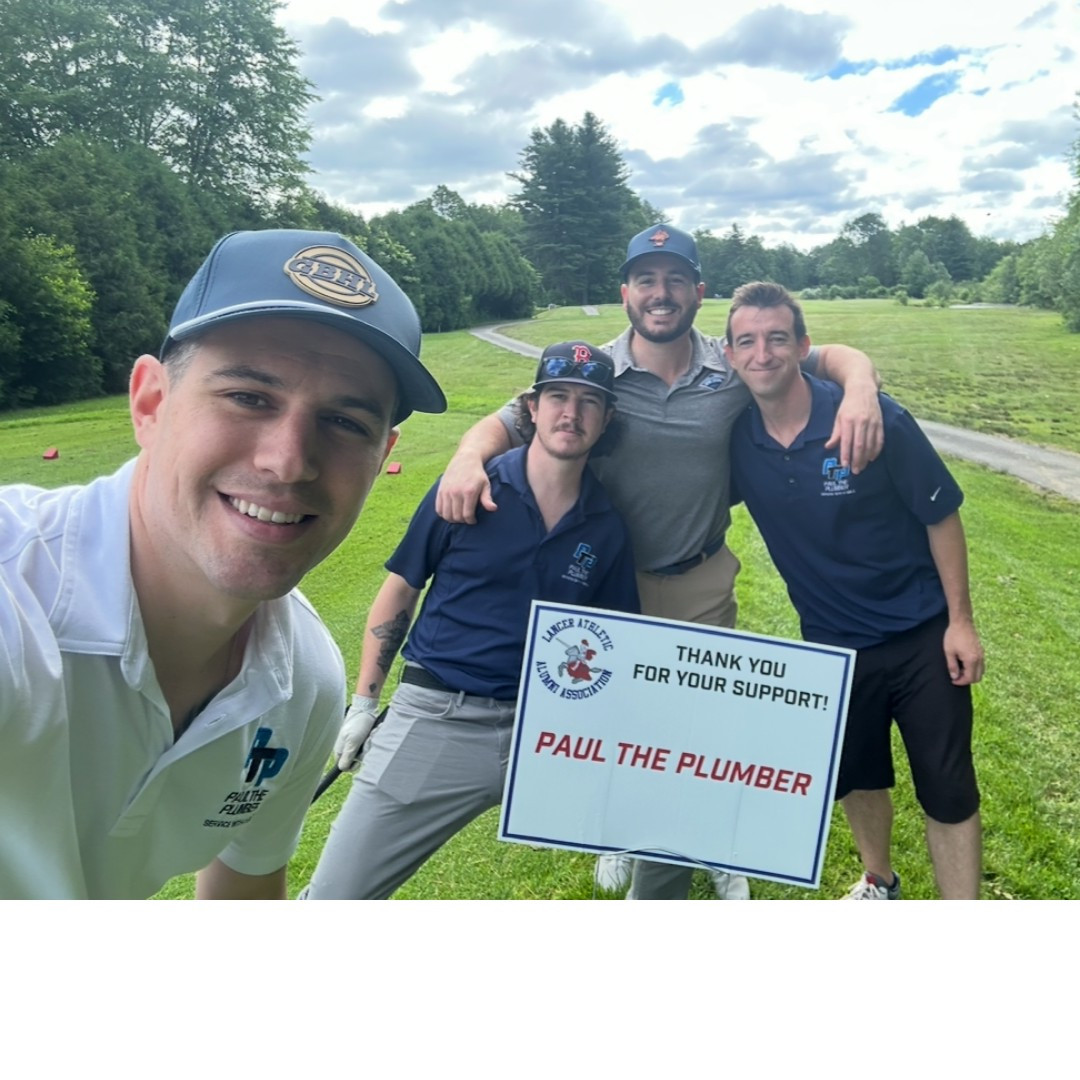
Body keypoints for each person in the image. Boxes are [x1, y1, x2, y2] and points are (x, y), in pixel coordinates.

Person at [434, 223, 885, 900]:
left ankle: (715, 846)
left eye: (675, 278)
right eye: (646, 279)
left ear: (698, 291)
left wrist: (861, 389)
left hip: (697, 574)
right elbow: (507, 421)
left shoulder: (731, 360)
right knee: (615, 723)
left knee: (703, 730)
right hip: (599, 578)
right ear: (627, 292)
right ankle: (621, 831)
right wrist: (468, 458)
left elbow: (830, 358)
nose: (661, 292)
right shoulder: (595, 368)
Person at [0, 229, 447, 899]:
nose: (288, 460)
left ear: (383, 455)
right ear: (151, 403)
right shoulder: (16, 601)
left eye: (345, 422)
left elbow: (243, 893)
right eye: (248, 397)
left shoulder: (305, 685)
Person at [304, 342, 640, 899]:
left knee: (663, 814)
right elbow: (401, 590)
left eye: (589, 402)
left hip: (546, 731)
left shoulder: (605, 526)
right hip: (439, 716)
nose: (571, 414)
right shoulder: (467, 488)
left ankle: (631, 849)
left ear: (607, 420)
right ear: (531, 408)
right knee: (337, 897)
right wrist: (365, 702)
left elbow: (617, 645)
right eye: (558, 396)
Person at [725, 281, 983, 899]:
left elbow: (940, 515)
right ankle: (879, 880)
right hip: (834, 648)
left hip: (921, 635)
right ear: (731, 356)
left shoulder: (871, 418)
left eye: (777, 338)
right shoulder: (737, 441)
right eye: (747, 342)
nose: (763, 354)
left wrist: (961, 621)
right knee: (856, 775)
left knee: (946, 788)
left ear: (804, 346)